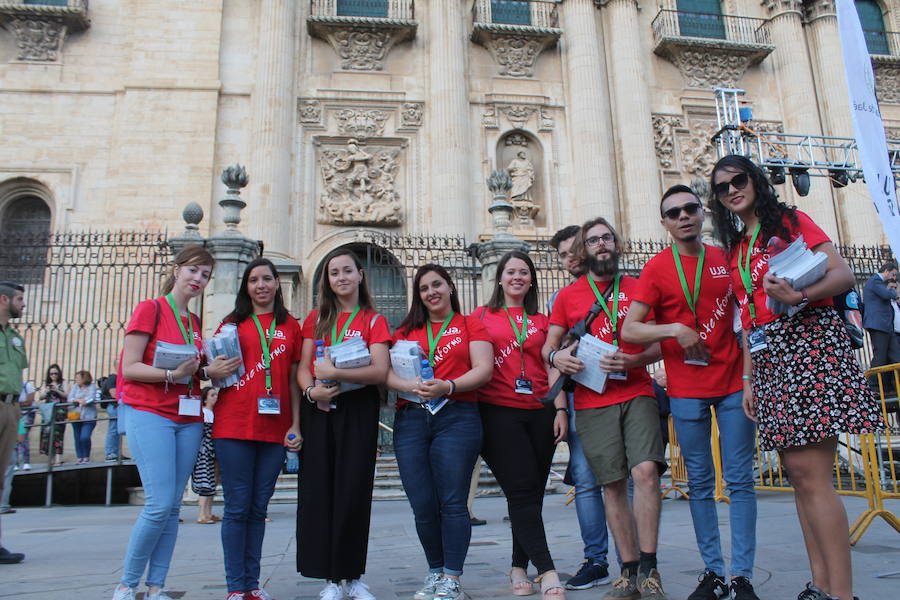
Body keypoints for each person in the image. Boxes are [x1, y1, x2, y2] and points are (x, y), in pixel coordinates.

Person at [709, 154, 884, 600]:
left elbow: (843, 273)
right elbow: (747, 320)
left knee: (813, 474)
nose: (732, 189)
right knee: (798, 475)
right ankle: (819, 584)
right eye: (722, 186)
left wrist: (799, 294)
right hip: (770, 357)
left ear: (756, 180)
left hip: (807, 344)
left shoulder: (789, 221)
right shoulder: (736, 246)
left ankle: (841, 593)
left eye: (738, 179)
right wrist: (748, 379)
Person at [621, 184, 759, 600]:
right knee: (699, 482)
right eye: (674, 212)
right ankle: (714, 573)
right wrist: (675, 329)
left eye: (690, 209)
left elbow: (748, 319)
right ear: (664, 223)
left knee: (740, 480)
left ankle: (743, 577)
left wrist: (752, 379)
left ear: (702, 214)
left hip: (735, 383)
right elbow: (630, 329)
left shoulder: (726, 258)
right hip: (685, 389)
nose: (683, 216)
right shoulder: (656, 269)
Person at [543, 218, 666, 600]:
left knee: (645, 472)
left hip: (637, 391)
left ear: (617, 244)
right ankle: (627, 572)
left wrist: (634, 362)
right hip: (593, 400)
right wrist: (559, 356)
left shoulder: (640, 288)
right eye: (593, 240)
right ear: (584, 249)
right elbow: (548, 348)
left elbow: (663, 342)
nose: (601, 244)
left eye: (607, 237)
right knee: (612, 484)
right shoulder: (567, 297)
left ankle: (649, 566)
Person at [111, 246, 241, 600]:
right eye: (194, 271)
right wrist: (173, 372)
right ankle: (126, 584)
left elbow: (189, 372)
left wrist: (205, 372)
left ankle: (156, 587)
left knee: (170, 507)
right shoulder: (150, 309)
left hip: (188, 417)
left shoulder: (194, 323)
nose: (198, 279)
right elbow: (130, 367)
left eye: (205, 275)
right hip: (150, 413)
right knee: (158, 502)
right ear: (177, 269)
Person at [387, 263, 493, 600]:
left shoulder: (469, 323)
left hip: (457, 415)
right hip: (412, 418)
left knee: (452, 501)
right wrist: (409, 385)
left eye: (437, 284)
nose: (431, 292)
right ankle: (435, 571)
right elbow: (385, 374)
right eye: (423, 288)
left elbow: (484, 369)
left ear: (450, 287)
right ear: (417, 296)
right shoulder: (405, 331)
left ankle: (452, 578)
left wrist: (447, 386)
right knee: (422, 502)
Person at [297, 249, 389, 600]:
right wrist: (312, 391)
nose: (341, 278)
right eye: (334, 272)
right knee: (320, 492)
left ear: (360, 275)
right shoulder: (316, 318)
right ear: (327, 280)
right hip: (320, 408)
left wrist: (335, 373)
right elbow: (303, 367)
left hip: (359, 409)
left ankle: (352, 575)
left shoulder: (373, 319)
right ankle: (330, 580)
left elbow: (379, 371)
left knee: (353, 491)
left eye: (347, 271)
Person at [477, 251, 569, 598]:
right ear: (499, 278)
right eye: (510, 271)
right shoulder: (481, 317)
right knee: (520, 490)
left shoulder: (543, 321)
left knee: (531, 494)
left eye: (523, 272)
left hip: (540, 411)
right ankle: (547, 570)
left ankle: (518, 567)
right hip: (498, 411)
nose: (517, 277)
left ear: (531, 280)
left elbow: (552, 367)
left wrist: (560, 409)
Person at [214, 257, 302, 600]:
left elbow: (295, 380)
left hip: (274, 429)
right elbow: (216, 367)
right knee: (237, 506)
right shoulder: (231, 324)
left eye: (267, 278)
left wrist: (296, 424)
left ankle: (253, 583)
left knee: (258, 508)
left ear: (277, 283)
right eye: (254, 280)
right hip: (233, 425)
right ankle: (236, 586)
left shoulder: (290, 326)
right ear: (246, 286)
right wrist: (213, 370)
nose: (261, 285)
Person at [549, 225, 615, 590]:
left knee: (626, 480)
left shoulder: (619, 288)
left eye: (574, 250)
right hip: (578, 397)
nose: (570, 258)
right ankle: (596, 559)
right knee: (586, 480)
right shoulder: (559, 299)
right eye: (562, 255)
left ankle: (634, 559)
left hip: (619, 390)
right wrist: (560, 407)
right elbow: (551, 357)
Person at [0, 281, 27, 564]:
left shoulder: (13, 336)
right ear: (3, 299)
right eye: (19, 299)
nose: (23, 304)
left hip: (10, 406)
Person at [863, 260, 899, 392]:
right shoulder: (875, 281)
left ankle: (892, 385)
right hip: (878, 324)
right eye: (893, 275)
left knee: (896, 356)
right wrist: (894, 292)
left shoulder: (878, 283)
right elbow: (886, 294)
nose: (894, 278)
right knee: (880, 356)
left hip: (885, 325)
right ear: (887, 271)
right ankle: (872, 385)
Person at [192, 386, 220, 525]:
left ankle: (208, 512)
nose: (216, 397)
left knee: (212, 481)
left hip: (213, 450)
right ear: (204, 399)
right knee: (205, 481)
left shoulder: (215, 413)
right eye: (212, 395)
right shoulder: (204, 413)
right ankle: (202, 514)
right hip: (205, 450)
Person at [38, 363, 68, 466]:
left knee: (58, 435)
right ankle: (51, 459)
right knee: (47, 434)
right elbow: (41, 397)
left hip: (60, 412)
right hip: (48, 412)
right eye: (51, 374)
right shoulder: (46, 384)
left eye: (55, 373)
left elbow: (66, 395)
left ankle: (58, 459)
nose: (53, 375)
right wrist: (46, 391)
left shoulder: (63, 383)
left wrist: (57, 390)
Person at [69, 370, 98, 464]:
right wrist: (78, 400)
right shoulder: (75, 387)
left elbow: (91, 398)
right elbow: (70, 399)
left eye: (78, 378)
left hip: (89, 417)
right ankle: (79, 457)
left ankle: (86, 456)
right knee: (77, 437)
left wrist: (83, 401)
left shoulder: (92, 386)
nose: (76, 380)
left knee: (84, 437)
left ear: (84, 378)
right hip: (76, 416)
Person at [101, 365, 125, 461]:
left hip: (117, 406)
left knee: (117, 430)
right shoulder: (113, 378)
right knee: (113, 429)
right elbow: (114, 394)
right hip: (114, 406)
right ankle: (111, 453)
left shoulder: (119, 378)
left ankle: (117, 453)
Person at [14, 380, 35, 470]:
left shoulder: (27, 385)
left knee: (23, 436)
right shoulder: (12, 387)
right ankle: (17, 462)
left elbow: (29, 402)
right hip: (16, 414)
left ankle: (25, 462)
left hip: (27, 414)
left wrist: (16, 404)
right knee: (15, 438)